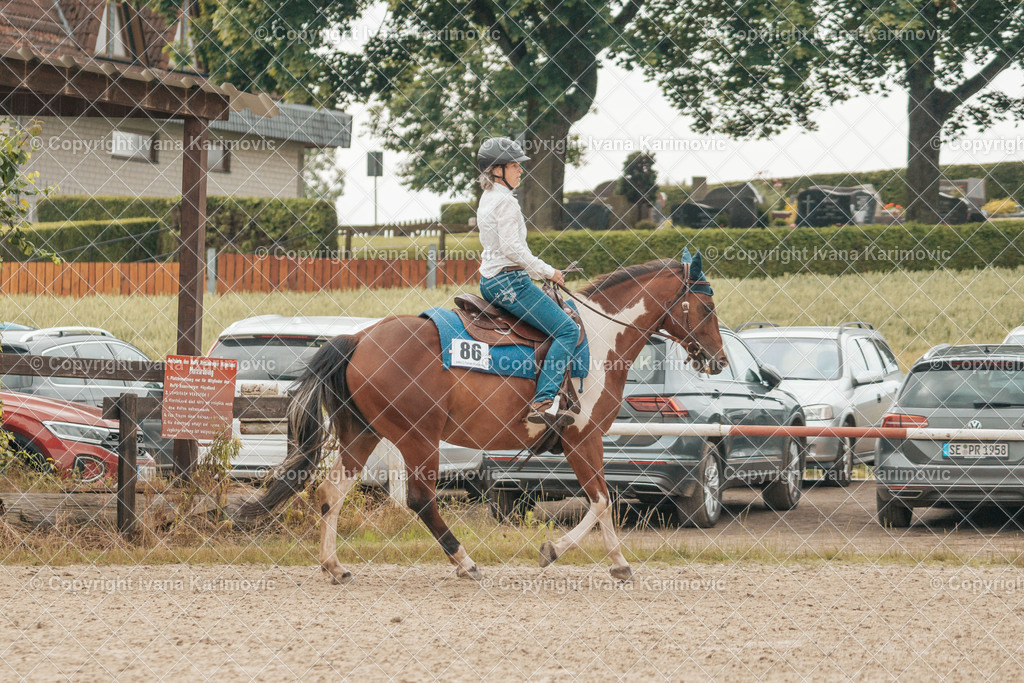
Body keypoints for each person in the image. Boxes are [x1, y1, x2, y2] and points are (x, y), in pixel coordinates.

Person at [475, 137, 578, 426]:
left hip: (490, 280)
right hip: (510, 283)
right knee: (568, 330)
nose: (521, 170)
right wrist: (548, 272)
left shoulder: (488, 198)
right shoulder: (505, 202)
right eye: (514, 165)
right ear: (497, 170)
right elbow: (513, 249)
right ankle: (543, 401)